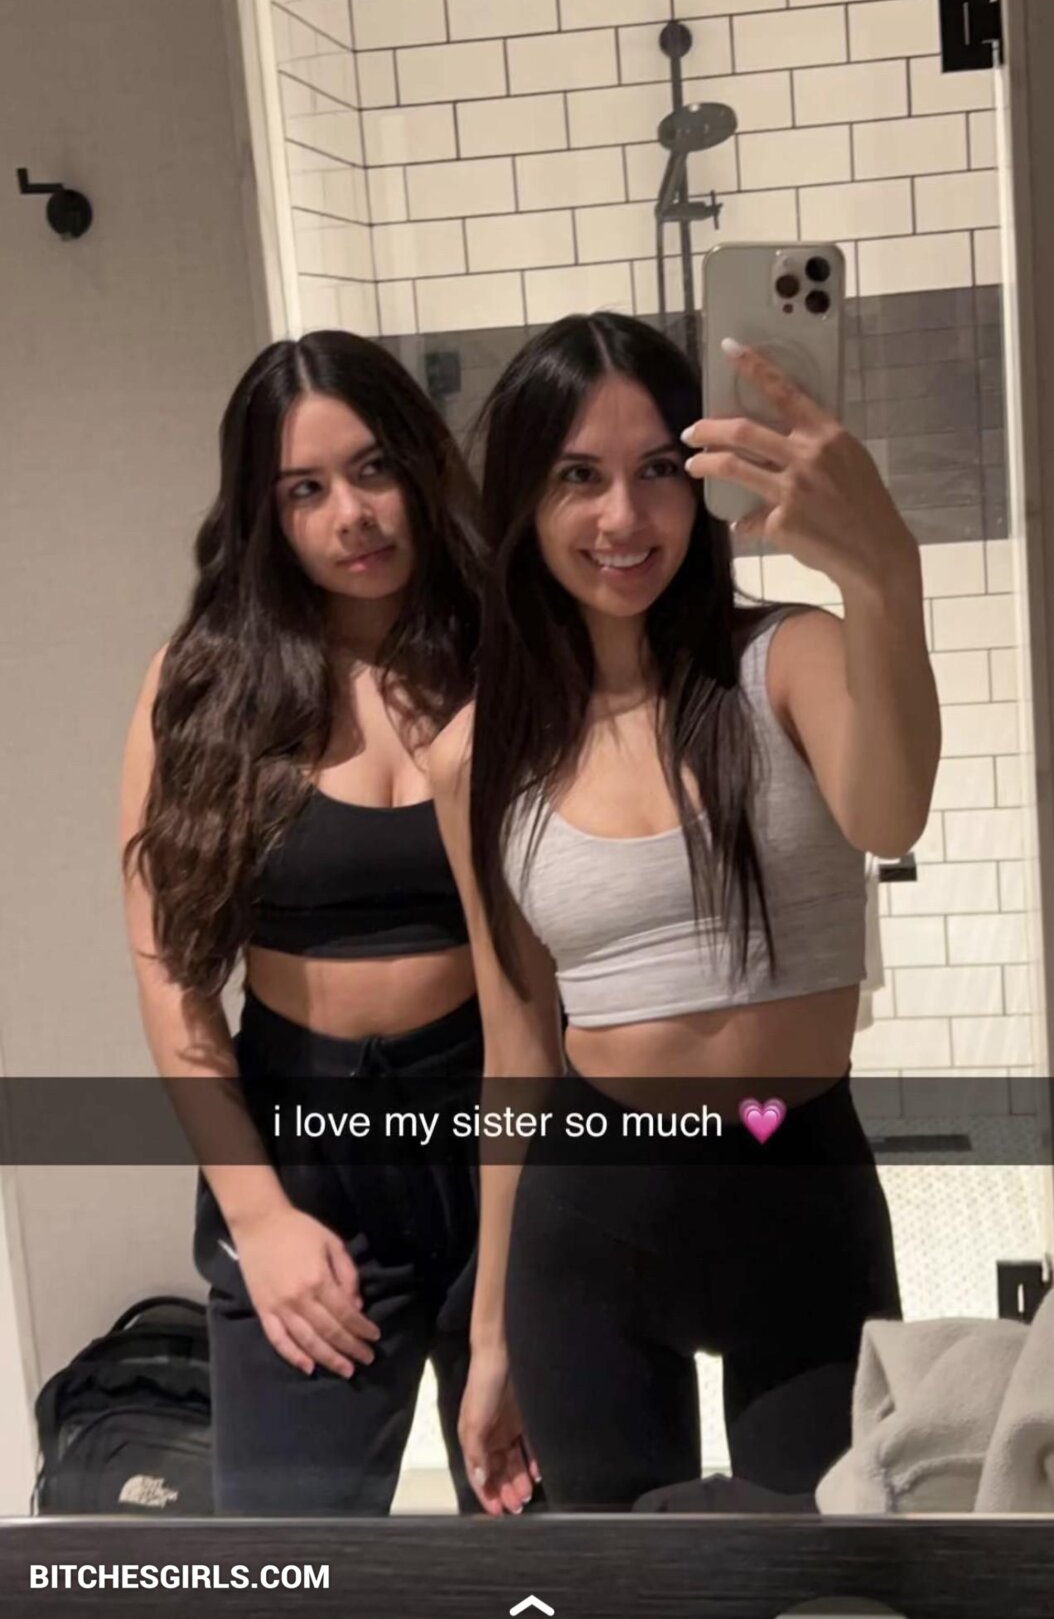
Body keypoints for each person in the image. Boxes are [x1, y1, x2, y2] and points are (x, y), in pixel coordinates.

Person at [428, 311, 941, 1515]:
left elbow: (891, 812)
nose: (623, 517)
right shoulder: (477, 755)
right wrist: (490, 1334)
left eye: (658, 468)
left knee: (825, 1576)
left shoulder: (788, 661)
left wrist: (881, 569)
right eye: (577, 476)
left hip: (798, 1193)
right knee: (621, 1587)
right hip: (588, 1224)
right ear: (524, 501)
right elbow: (516, 1048)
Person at [120, 330, 489, 1515]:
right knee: (288, 1561)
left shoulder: (509, 659)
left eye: (373, 468)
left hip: (503, 1132)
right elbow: (170, 976)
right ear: (263, 513)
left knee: (543, 1551)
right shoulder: (203, 683)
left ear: (420, 466)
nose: (352, 515)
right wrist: (259, 1215)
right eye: (305, 490)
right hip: (302, 1150)